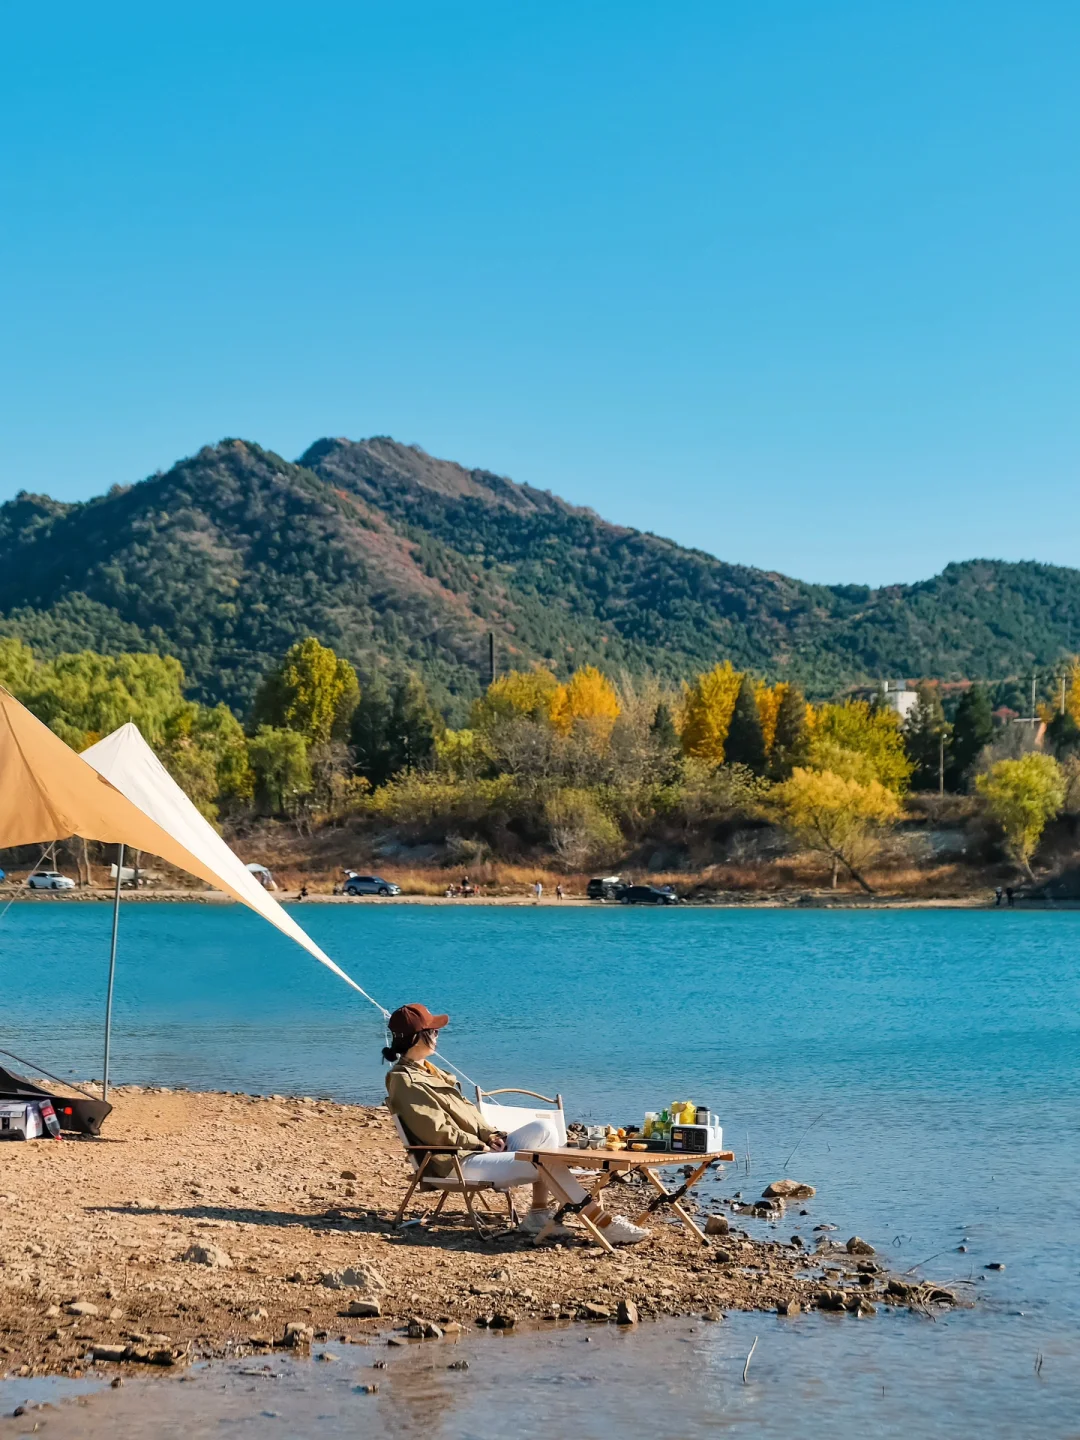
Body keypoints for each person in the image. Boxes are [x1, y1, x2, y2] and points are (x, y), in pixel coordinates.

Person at [382, 1003, 647, 1244]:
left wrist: (491, 1135)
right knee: (543, 1159)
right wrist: (480, 1145)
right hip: (456, 1163)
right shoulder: (404, 1080)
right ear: (417, 1037)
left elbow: (469, 1116)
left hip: (476, 1151)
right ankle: (602, 1222)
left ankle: (538, 1215)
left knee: (544, 1131)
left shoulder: (431, 1071)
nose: (438, 1036)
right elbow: (436, 1132)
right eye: (434, 1031)